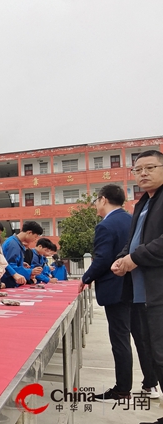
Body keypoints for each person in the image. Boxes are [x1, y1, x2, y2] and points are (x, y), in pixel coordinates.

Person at [79, 183, 159, 403]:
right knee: (141, 337)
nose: (95, 204)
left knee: (120, 339)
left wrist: (86, 278)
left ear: (103, 199)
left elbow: (103, 258)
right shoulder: (132, 219)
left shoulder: (106, 225)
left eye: (96, 200)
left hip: (116, 288)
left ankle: (122, 389)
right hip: (136, 287)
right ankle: (150, 383)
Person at [110, 151, 163, 421]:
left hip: (159, 292)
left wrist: (134, 258)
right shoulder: (143, 203)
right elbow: (134, 241)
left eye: (150, 167)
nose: (143, 173)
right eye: (138, 169)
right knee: (153, 355)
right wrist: (122, 259)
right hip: (140, 294)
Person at [1, 221, 43, 288]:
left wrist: (21, 263)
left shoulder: (16, 243)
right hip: (8, 282)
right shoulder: (13, 244)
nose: (35, 240)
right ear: (29, 233)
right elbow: (9, 265)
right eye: (35, 237)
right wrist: (30, 271)